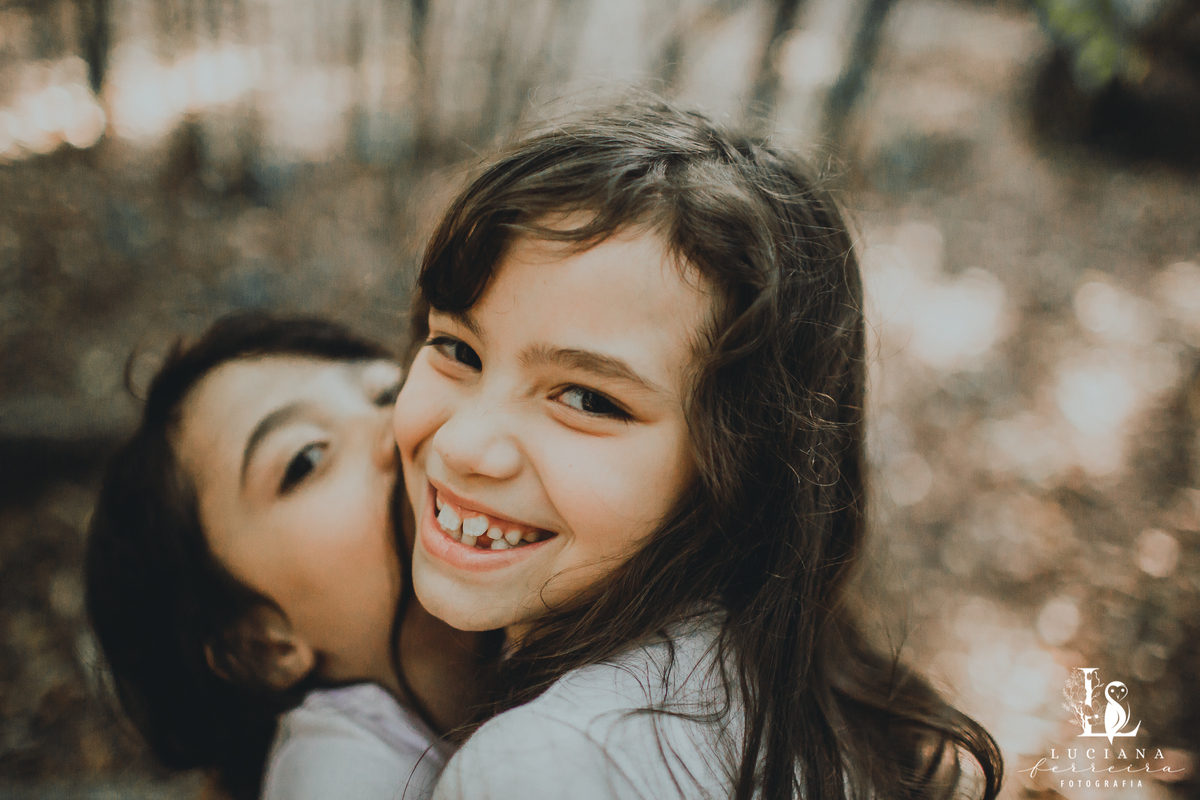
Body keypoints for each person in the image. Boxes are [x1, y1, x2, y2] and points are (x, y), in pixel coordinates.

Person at [394, 100, 1004, 800]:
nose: (465, 445)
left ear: (740, 466)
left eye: (589, 400)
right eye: (456, 349)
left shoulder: (545, 769)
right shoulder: (780, 670)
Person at [85, 313, 482, 800]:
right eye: (305, 460)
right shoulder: (339, 773)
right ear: (259, 648)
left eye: (387, 392)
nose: (395, 423)